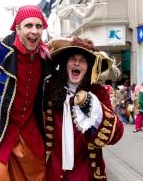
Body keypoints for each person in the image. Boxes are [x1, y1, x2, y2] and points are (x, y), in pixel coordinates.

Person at [0, 5, 50, 181]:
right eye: (29, 25)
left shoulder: (46, 57)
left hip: (29, 138)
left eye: (39, 26)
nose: (34, 31)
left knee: (39, 175)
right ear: (17, 28)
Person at [43, 37, 124, 181]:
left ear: (89, 67)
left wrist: (97, 111)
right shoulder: (49, 89)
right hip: (52, 171)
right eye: (72, 58)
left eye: (83, 60)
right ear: (65, 64)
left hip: (86, 173)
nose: (77, 63)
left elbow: (116, 135)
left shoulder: (98, 93)